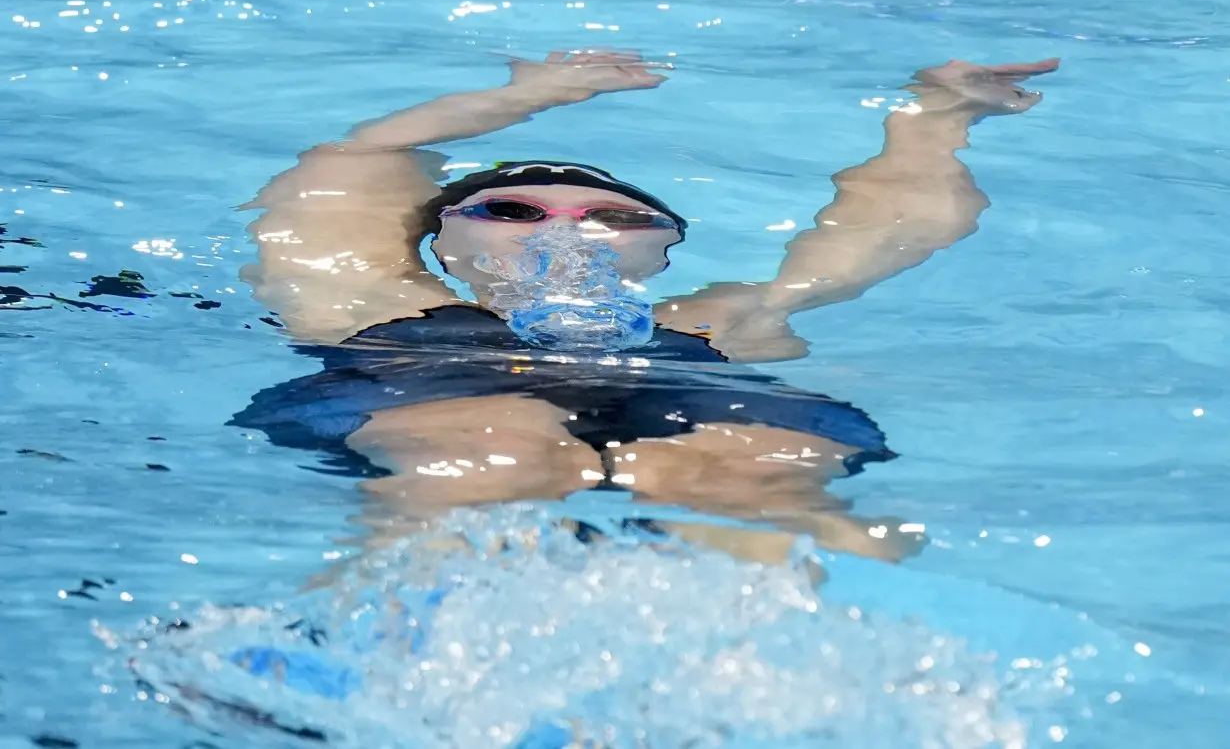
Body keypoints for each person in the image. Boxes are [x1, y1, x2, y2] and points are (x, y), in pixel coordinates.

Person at [229, 50, 1058, 565]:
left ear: (661, 249)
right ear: (441, 244)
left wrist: (938, 116)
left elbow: (891, 230)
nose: (566, 229)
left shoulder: (717, 320)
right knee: (499, 450)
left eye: (615, 219)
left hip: (688, 399)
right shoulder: (372, 293)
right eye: (514, 212)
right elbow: (358, 159)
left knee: (753, 458)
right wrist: (533, 93)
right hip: (430, 396)